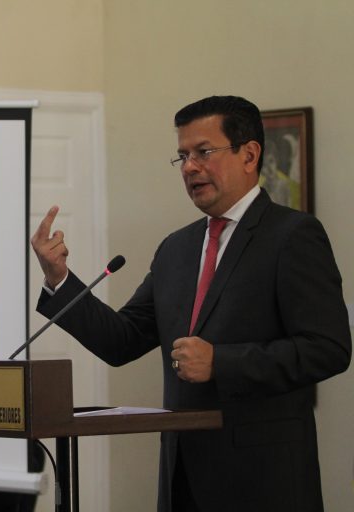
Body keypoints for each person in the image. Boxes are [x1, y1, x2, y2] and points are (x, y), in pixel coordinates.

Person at [31, 96, 351, 512]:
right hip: (182, 476)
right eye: (183, 156)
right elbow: (121, 341)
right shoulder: (177, 248)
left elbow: (328, 348)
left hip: (262, 480)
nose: (189, 167)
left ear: (249, 154)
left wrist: (221, 362)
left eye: (203, 152)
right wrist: (59, 279)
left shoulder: (292, 236)